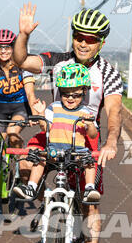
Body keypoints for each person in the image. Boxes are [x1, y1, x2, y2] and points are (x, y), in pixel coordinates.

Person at [13, 3, 123, 243]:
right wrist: (23, 35)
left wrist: (110, 142)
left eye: (90, 39)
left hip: (85, 141)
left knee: (90, 206)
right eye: (79, 36)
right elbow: (22, 61)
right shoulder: (57, 60)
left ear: (101, 42)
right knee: (25, 164)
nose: (83, 43)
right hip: (54, 135)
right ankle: (47, 199)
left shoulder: (108, 73)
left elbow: (114, 113)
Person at [14, 63, 100, 205]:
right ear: (60, 92)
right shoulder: (54, 107)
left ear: (84, 92)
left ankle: (89, 189)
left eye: (76, 95)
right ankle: (31, 187)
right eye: (65, 94)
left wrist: (90, 124)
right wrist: (41, 113)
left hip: (75, 153)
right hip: (54, 151)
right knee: (39, 159)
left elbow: (92, 134)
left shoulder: (86, 112)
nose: (70, 98)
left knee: (89, 161)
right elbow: (45, 128)